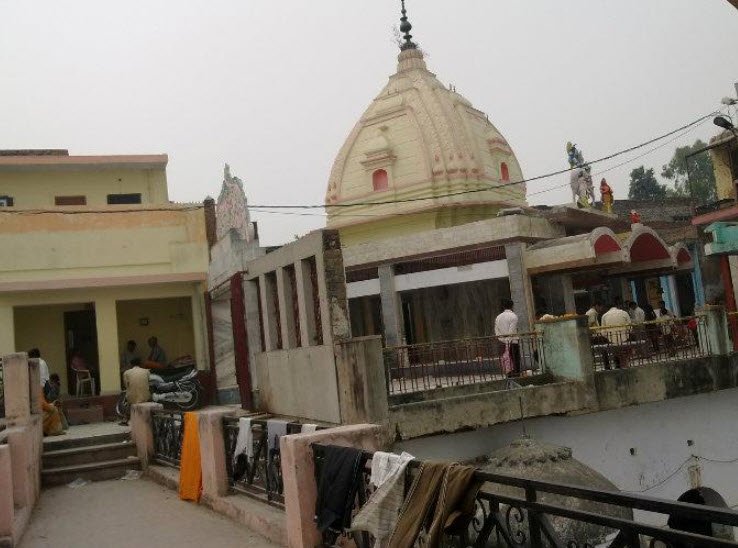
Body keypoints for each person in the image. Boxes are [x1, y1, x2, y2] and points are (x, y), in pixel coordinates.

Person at [601, 299, 632, 368]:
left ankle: (618, 366)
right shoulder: (624, 313)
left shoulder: (604, 316)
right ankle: (625, 367)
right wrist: (626, 335)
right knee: (624, 356)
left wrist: (609, 337)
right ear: (616, 306)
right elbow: (630, 327)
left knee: (616, 355)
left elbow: (603, 332)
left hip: (612, 339)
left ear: (607, 308)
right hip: (624, 338)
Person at [495, 299, 521, 377]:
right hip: (513, 342)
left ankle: (509, 375)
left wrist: (502, 339)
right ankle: (516, 375)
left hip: (503, 342)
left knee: (506, 359)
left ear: (503, 306)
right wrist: (508, 340)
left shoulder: (498, 317)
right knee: (515, 359)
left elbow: (497, 331)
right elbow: (511, 331)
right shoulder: (513, 316)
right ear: (512, 306)